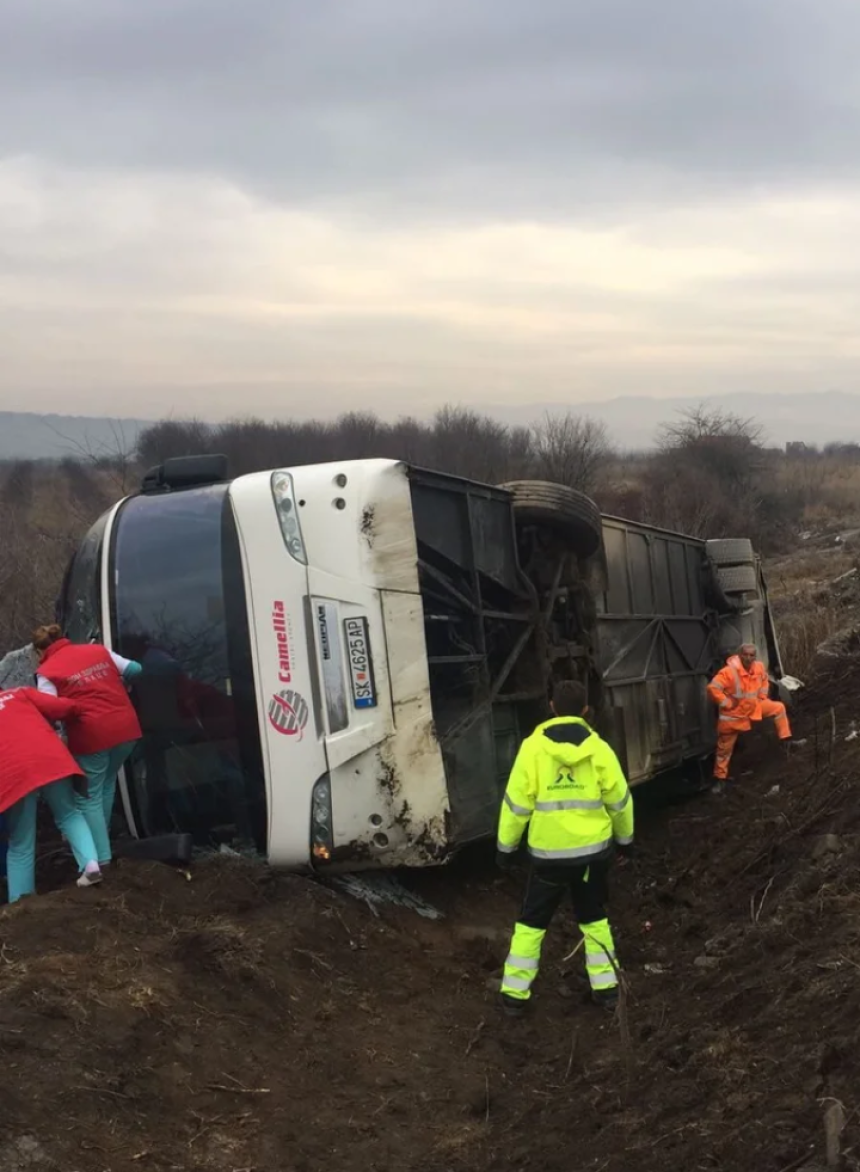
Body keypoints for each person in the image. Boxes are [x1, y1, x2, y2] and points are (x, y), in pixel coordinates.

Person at [496, 680, 634, 1017]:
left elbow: (516, 804)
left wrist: (505, 847)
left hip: (547, 857)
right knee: (594, 919)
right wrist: (625, 841)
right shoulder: (599, 748)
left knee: (531, 923)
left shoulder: (532, 748)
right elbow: (619, 801)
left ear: (551, 706)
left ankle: (514, 997)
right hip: (592, 854)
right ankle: (607, 991)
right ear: (586, 710)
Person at [32, 625, 143, 867]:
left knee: (87, 797)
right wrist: (120, 685)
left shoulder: (46, 671)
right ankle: (100, 844)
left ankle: (101, 858)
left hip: (90, 734)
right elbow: (135, 668)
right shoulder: (97, 651)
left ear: (40, 651)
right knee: (105, 785)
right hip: (126, 727)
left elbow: (50, 708)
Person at [0, 686, 103, 902]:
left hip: (13, 773)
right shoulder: (20, 693)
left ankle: (21, 902)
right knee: (69, 814)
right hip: (50, 757)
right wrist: (82, 705)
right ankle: (90, 863)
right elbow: (61, 707)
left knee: (21, 841)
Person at [707, 643, 791, 789]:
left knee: (778, 708)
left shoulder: (758, 667)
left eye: (752, 655)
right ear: (740, 655)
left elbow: (764, 680)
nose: (748, 658)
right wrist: (726, 703)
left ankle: (786, 742)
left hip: (754, 708)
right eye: (745, 654)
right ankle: (720, 779)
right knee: (724, 749)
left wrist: (763, 696)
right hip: (734, 715)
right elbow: (712, 688)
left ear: (755, 657)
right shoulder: (728, 672)